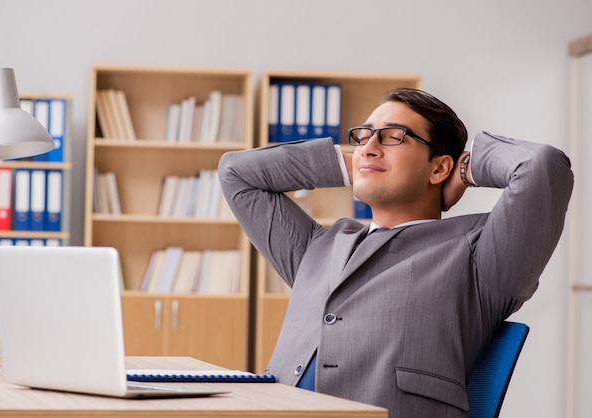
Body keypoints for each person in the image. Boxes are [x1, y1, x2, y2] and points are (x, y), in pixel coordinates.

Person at [217, 87, 573, 417]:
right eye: (364, 135)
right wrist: (355, 161)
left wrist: (464, 169)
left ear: (439, 167)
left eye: (393, 136)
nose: (369, 146)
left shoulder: (480, 256)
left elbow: (542, 167)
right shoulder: (318, 247)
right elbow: (236, 173)